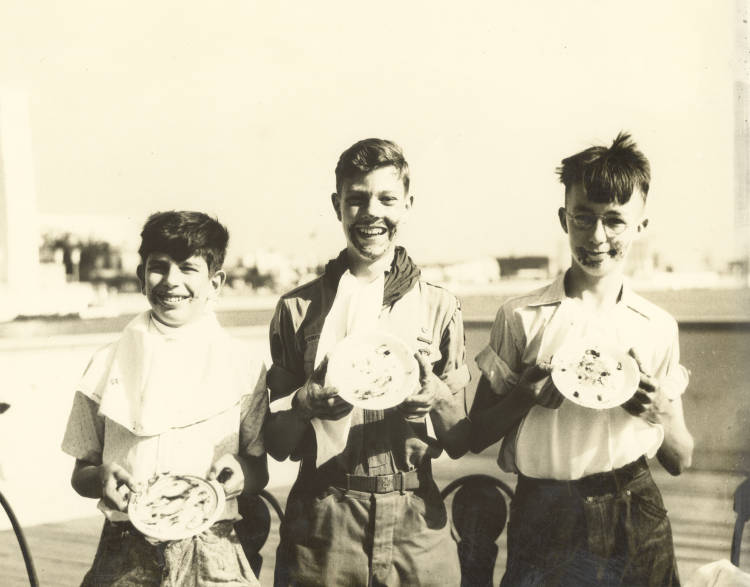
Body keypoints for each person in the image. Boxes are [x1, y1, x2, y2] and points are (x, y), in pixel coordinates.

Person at [469, 132, 694, 586]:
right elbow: (475, 435)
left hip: (636, 510)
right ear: (563, 218)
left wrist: (660, 410)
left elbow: (680, 458)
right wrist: (523, 397)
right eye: (582, 218)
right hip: (544, 511)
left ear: (640, 227)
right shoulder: (520, 316)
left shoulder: (656, 325)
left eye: (614, 221)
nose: (596, 236)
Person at [264, 138, 471, 586]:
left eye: (386, 198)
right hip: (323, 520)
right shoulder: (297, 309)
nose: (371, 212)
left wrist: (435, 395)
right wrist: (304, 404)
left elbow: (459, 438)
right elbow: (277, 444)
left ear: (407, 204)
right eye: (356, 200)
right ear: (337, 205)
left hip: (417, 521)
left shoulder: (440, 306)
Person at [61, 211, 269, 586]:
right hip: (124, 549)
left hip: (213, 547)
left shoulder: (245, 366)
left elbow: (258, 469)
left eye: (189, 269)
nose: (172, 281)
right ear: (142, 277)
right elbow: (81, 474)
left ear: (215, 282)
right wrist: (100, 478)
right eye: (159, 267)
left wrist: (242, 475)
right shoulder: (105, 364)